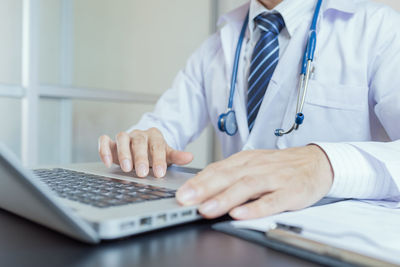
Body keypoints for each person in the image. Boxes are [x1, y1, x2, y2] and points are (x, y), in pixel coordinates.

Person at [98, 0, 400, 220]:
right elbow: (164, 127)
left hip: (334, 240)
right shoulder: (217, 45)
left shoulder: (378, 28)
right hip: (232, 231)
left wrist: (326, 165)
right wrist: (145, 143)